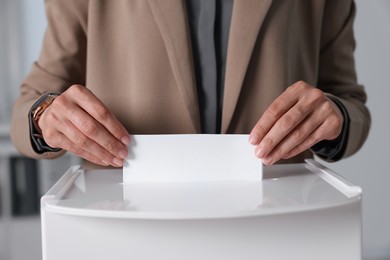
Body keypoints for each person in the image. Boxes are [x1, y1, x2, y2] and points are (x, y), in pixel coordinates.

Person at [10, 0, 370, 168]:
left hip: (277, 222)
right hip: (126, 224)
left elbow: (348, 101)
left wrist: (335, 116)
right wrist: (45, 117)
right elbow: (32, 101)